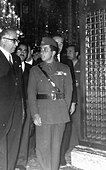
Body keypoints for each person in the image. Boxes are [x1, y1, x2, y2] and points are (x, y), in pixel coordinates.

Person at [28, 37, 73, 170]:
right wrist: (35, 113)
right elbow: (31, 94)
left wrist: (64, 108)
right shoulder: (35, 70)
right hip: (43, 112)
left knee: (56, 145)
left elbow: (69, 91)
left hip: (59, 112)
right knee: (43, 146)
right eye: (41, 50)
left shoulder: (64, 68)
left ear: (53, 52)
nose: (42, 52)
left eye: (45, 50)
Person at [0, 28, 24, 170]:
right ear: (4, 40)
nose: (17, 44)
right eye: (14, 40)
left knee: (13, 143)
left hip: (16, 109)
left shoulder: (17, 59)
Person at [53, 36, 77, 167]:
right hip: (50, 103)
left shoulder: (67, 62)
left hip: (65, 102)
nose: (59, 46)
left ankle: (61, 158)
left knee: (66, 130)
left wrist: (73, 102)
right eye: (57, 43)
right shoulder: (41, 61)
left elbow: (72, 83)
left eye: (61, 44)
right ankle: (53, 158)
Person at [15, 43, 35, 168]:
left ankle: (21, 161)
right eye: (19, 50)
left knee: (25, 132)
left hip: (27, 104)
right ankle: (11, 158)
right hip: (13, 104)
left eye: (25, 51)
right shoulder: (9, 66)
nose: (22, 52)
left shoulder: (31, 68)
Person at [66, 45, 81, 150]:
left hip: (81, 97)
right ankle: (71, 145)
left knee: (79, 121)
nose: (68, 53)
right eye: (67, 51)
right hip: (70, 97)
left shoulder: (82, 64)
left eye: (70, 51)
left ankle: (80, 144)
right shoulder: (65, 65)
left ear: (76, 53)